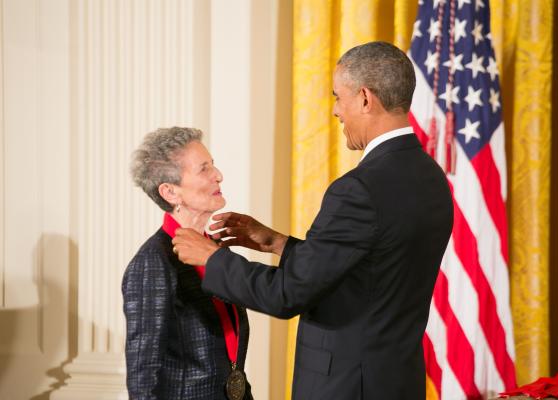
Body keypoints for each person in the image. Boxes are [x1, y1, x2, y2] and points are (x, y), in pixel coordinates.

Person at [172, 42, 453, 399]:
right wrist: (277, 243)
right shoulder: (431, 176)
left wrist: (212, 259)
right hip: (397, 382)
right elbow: (370, 272)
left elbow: (287, 294)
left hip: (347, 387)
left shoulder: (357, 190)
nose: (336, 111)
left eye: (339, 97)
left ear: (365, 99)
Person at [122, 127, 253, 400]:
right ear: (170, 192)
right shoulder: (152, 262)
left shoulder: (215, 249)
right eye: (204, 169)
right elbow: (142, 376)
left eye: (213, 165)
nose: (218, 176)